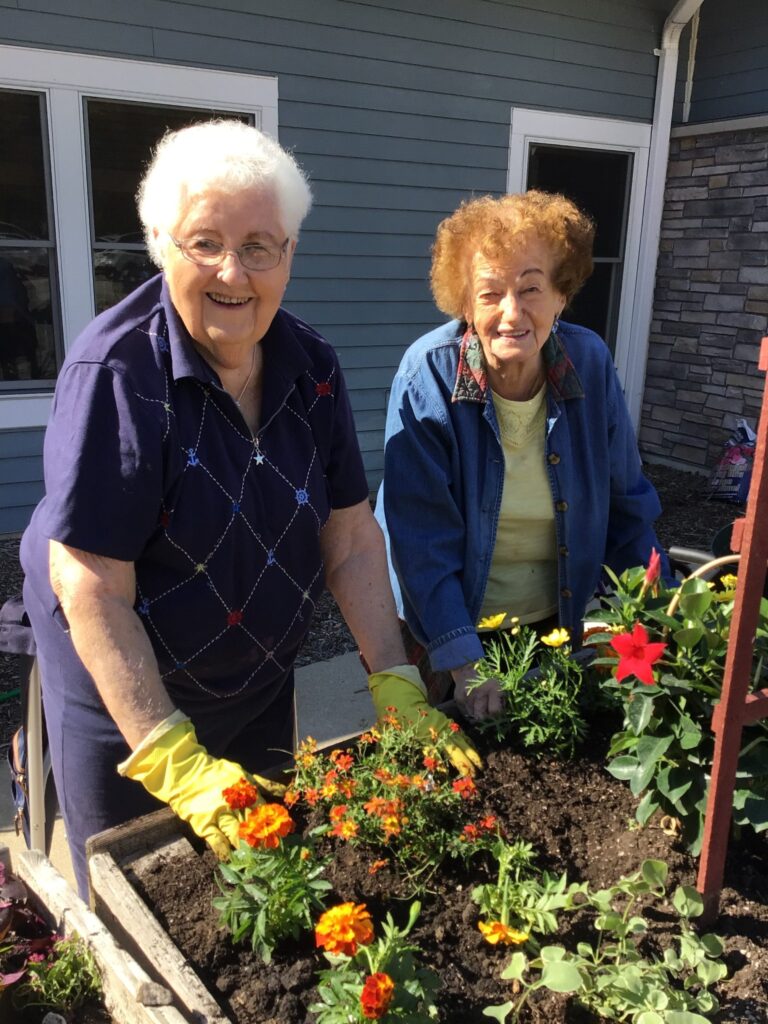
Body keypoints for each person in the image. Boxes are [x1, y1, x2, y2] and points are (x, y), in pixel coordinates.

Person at [20, 120, 479, 898]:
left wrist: (395, 682)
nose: (234, 271)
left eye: (260, 246)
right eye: (205, 242)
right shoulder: (119, 373)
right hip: (127, 697)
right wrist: (174, 758)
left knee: (263, 887)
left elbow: (351, 536)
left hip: (260, 676)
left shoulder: (313, 366)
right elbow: (90, 582)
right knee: (145, 906)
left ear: (289, 255)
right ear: (161, 242)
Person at [375, 191, 670, 724]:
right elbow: (419, 539)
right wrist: (463, 661)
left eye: (531, 288)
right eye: (489, 293)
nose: (511, 313)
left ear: (561, 294)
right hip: (444, 618)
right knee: (442, 763)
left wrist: (656, 618)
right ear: (465, 304)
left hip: (556, 616)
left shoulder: (591, 364)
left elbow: (628, 509)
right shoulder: (429, 375)